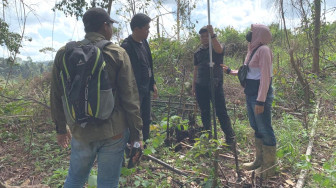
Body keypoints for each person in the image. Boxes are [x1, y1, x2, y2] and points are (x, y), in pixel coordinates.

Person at [50, 7, 143, 187]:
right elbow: (130, 98)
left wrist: (61, 128)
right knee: (108, 182)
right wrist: (136, 134)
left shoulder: (64, 53)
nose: (112, 30)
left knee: (75, 179)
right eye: (111, 25)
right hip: (113, 131)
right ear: (104, 26)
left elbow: (56, 94)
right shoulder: (117, 53)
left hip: (80, 129)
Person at [222, 24, 276, 178]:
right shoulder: (253, 49)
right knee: (256, 126)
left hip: (260, 95)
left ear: (259, 34)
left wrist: (261, 101)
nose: (249, 34)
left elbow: (266, 77)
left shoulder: (264, 50)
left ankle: (269, 168)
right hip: (251, 93)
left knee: (265, 128)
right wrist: (230, 71)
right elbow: (248, 70)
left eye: (253, 32)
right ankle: (259, 161)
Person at [192, 25, 235, 145]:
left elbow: (220, 50)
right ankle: (208, 137)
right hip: (201, 86)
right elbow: (195, 70)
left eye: (207, 36)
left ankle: (230, 138)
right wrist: (193, 86)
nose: (205, 38)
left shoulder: (216, 48)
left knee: (221, 112)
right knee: (205, 112)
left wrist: (213, 34)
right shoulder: (197, 53)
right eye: (202, 36)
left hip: (215, 85)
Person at [121, 13, 158, 142]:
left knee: (146, 118)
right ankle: (132, 147)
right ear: (136, 29)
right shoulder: (126, 47)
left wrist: (152, 83)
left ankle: (145, 145)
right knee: (134, 119)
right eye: (146, 28)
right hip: (134, 91)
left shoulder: (144, 43)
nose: (148, 31)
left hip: (146, 88)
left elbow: (149, 64)